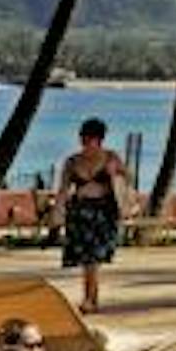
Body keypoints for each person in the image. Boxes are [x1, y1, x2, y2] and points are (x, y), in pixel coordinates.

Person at [55, 118, 127, 313]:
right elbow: (63, 189)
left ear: (100, 139)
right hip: (79, 213)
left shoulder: (111, 158)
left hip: (103, 213)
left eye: (90, 138)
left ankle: (89, 299)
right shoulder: (72, 161)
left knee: (92, 260)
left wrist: (114, 175)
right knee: (88, 261)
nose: (85, 141)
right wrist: (58, 213)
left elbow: (124, 185)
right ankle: (91, 299)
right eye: (83, 137)